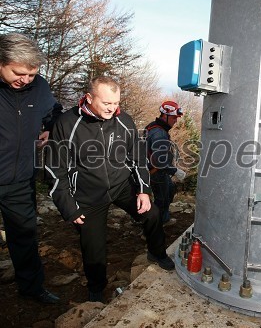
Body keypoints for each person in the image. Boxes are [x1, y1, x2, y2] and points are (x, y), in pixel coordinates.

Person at [45, 76, 175, 303]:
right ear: (89, 98)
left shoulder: (124, 120)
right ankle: (96, 287)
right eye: (106, 103)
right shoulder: (67, 123)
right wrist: (69, 208)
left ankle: (157, 252)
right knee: (93, 245)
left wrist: (143, 190)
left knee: (152, 213)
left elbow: (137, 158)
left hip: (121, 185)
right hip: (88, 193)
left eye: (116, 103)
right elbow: (55, 170)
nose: (112, 108)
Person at [0, 32, 60, 304]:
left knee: (24, 237)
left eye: (31, 74)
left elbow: (53, 111)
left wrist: (50, 127)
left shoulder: (40, 88)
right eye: (18, 73)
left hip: (21, 180)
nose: (25, 80)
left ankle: (32, 288)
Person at [145, 100, 186, 226]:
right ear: (165, 115)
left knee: (170, 189)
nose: (176, 121)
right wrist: (175, 171)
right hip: (156, 172)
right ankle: (152, 227)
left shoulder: (155, 127)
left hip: (158, 170)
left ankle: (164, 218)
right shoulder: (159, 133)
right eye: (174, 117)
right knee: (161, 200)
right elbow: (159, 161)